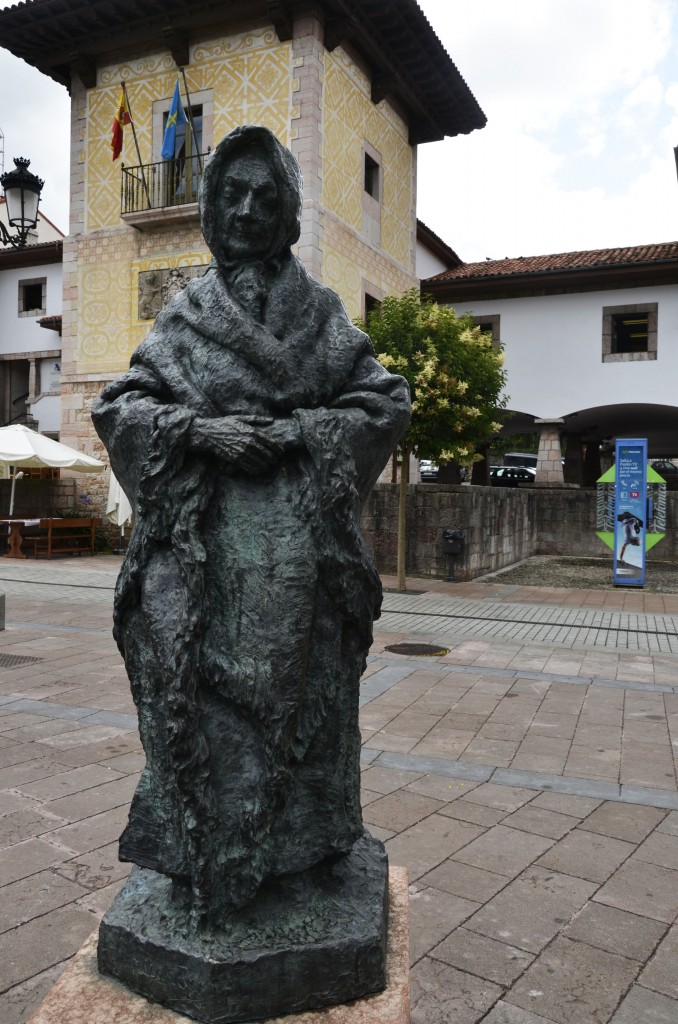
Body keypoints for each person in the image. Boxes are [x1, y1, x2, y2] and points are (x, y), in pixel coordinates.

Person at [92, 125, 410, 923]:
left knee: (315, 702)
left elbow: (384, 400)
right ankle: (193, 854)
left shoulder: (321, 314)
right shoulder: (184, 317)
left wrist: (304, 434)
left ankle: (306, 854)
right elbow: (120, 406)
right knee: (186, 691)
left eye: (266, 198)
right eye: (232, 194)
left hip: (303, 542)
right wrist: (202, 434)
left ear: (288, 216)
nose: (247, 209)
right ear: (209, 209)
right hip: (203, 545)